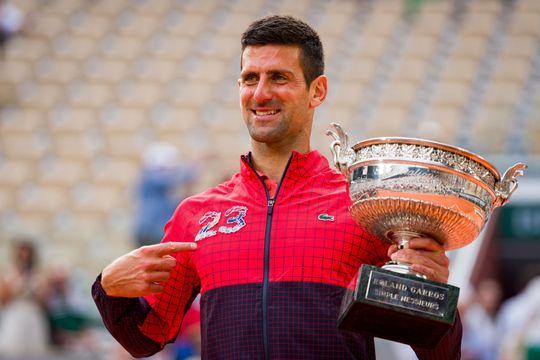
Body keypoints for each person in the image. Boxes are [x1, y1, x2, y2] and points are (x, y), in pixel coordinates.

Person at [92, 15, 462, 359]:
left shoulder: (365, 207)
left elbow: (439, 353)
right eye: (250, 78)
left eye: (279, 78)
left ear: (317, 91)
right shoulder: (196, 215)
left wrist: (432, 291)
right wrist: (108, 289)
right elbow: (147, 337)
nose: (261, 93)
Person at [134, 142, 197, 248]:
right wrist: (192, 168)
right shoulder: (150, 178)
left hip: (155, 229)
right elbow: (173, 179)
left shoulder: (158, 186)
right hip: (150, 229)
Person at [0, 237, 50, 356]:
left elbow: (45, 301)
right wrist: (17, 284)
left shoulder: (39, 274)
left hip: (33, 315)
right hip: (15, 314)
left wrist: (36, 291)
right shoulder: (8, 273)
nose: (24, 256)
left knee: (34, 351)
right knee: (13, 350)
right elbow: (3, 298)